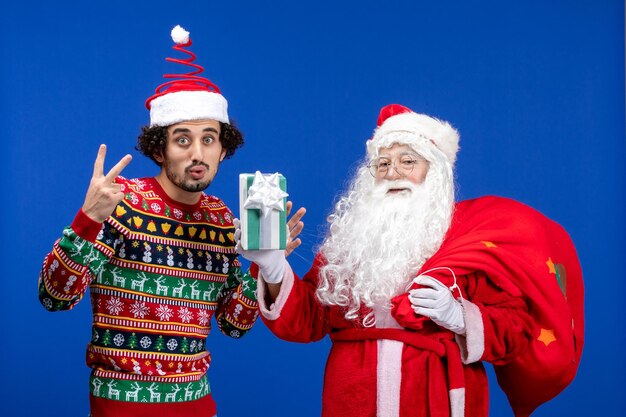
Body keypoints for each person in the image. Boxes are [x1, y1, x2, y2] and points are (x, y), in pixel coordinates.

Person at [236, 103, 583, 417]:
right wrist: (273, 266)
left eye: (408, 161)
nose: (393, 172)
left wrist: (460, 317)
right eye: (383, 163)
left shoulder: (470, 241)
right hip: (353, 400)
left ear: (434, 172)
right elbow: (308, 320)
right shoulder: (349, 244)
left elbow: (516, 330)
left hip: (439, 399)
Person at [39, 25, 262, 417]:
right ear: (159, 149)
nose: (197, 153)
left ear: (224, 149)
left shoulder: (222, 220)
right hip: (122, 405)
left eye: (208, 139)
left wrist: (265, 265)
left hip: (198, 402)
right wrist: (87, 220)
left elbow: (234, 324)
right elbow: (54, 297)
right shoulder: (120, 202)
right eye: (182, 139)